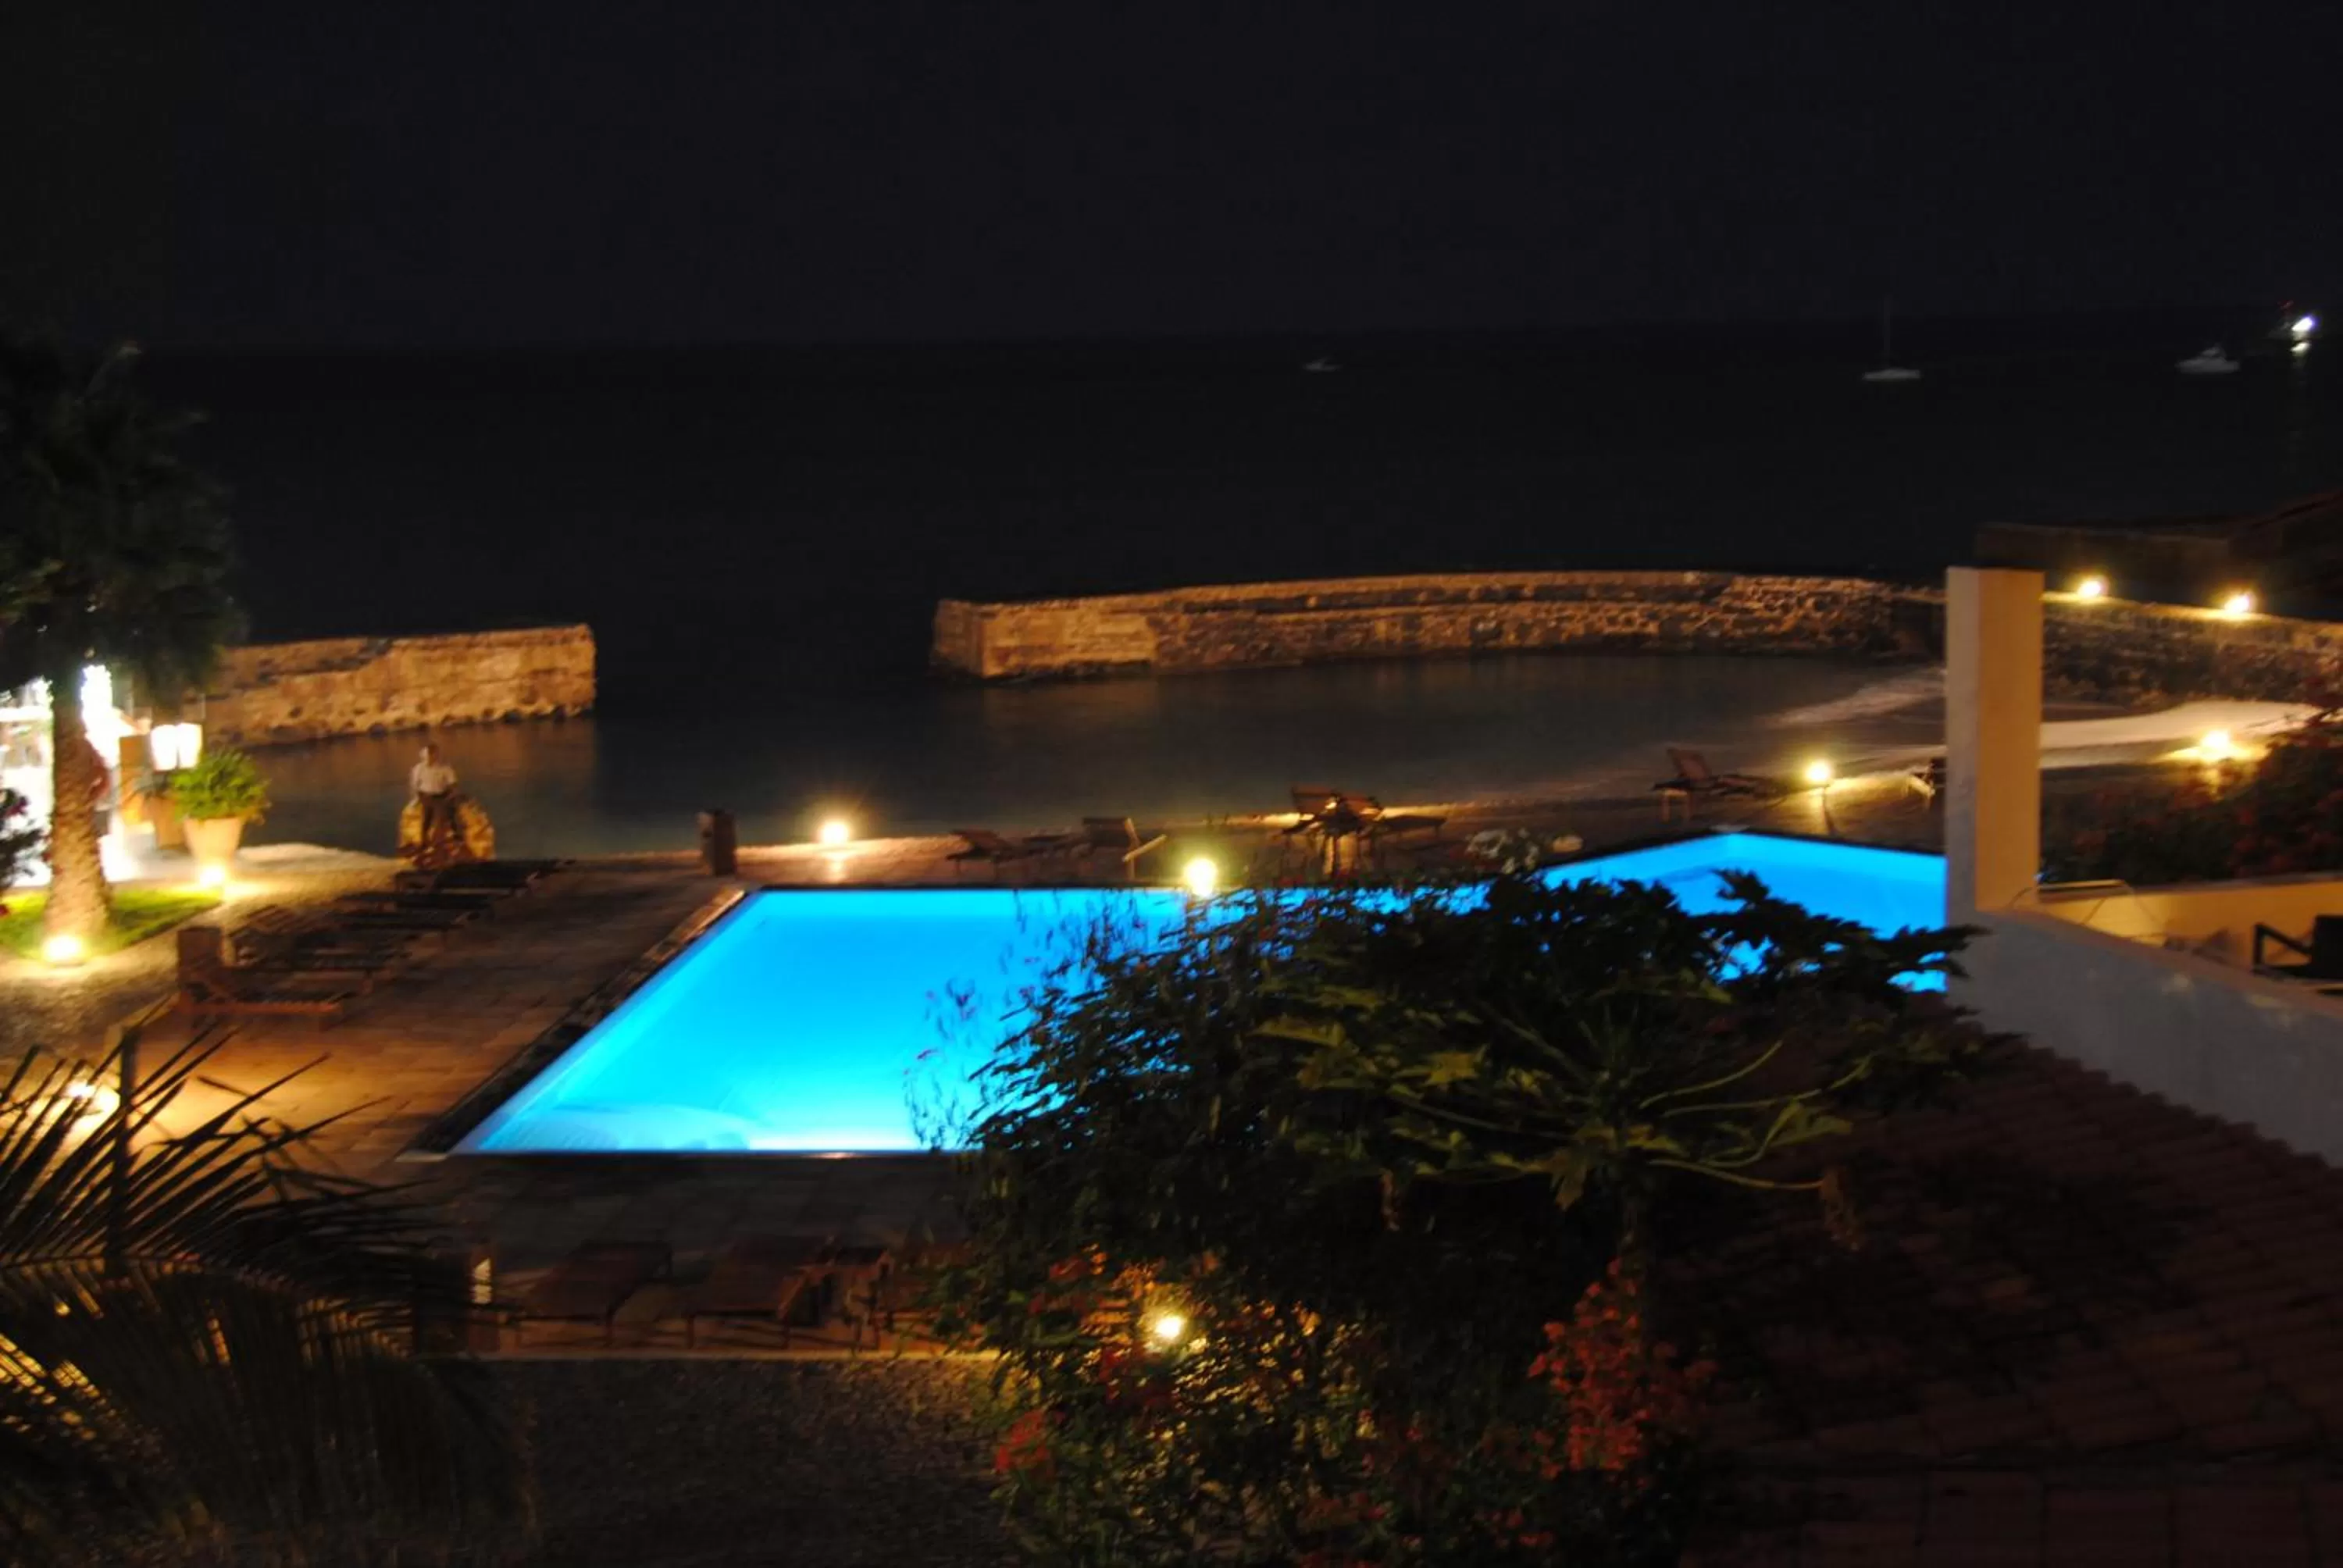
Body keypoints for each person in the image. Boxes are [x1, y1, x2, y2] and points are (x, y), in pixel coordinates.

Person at [410, 741, 458, 850]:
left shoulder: (444, 768)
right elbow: (415, 784)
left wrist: (452, 794)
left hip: (441, 796)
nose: (433, 756)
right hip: (426, 796)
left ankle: (449, 839)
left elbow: (453, 782)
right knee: (426, 819)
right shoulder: (419, 768)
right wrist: (417, 798)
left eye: (435, 754)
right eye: (431, 754)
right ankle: (423, 842)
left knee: (443, 816)